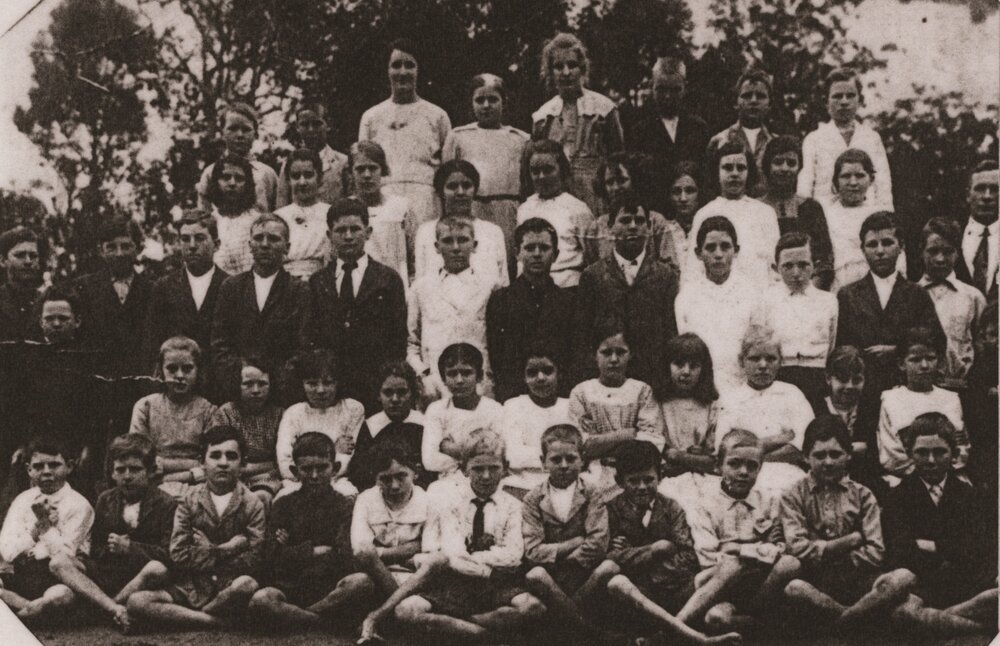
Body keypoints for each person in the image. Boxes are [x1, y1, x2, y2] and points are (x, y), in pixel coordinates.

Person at [392, 430, 545, 641]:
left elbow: (513, 555)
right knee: (406, 610)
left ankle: (461, 625)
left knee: (533, 607)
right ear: (464, 469)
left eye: (493, 468)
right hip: (455, 583)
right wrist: (487, 564)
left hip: (498, 584)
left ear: (506, 468)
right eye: (478, 469)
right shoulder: (451, 502)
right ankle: (485, 636)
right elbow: (453, 553)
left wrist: (474, 560)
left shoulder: (514, 507)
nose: (486, 476)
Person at [780, 416, 914, 627]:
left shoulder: (863, 495)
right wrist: (851, 540)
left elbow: (876, 552)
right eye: (819, 455)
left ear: (848, 455)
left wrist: (824, 551)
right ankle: (860, 617)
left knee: (903, 577)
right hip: (815, 581)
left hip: (859, 579)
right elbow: (797, 549)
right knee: (794, 588)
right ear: (806, 457)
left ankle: (843, 619)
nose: (828, 462)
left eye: (835, 454)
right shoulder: (793, 495)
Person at [127, 425, 265, 630]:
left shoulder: (252, 503)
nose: (223, 463)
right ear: (202, 462)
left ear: (243, 464)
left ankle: (189, 617)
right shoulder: (188, 501)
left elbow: (255, 557)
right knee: (137, 602)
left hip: (230, 587)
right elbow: (179, 554)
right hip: (192, 586)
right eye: (215, 456)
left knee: (247, 585)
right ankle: (213, 621)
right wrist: (228, 549)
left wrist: (209, 550)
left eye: (231, 456)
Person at [606, 441, 740, 646]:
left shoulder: (671, 507)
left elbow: (687, 555)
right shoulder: (611, 511)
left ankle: (666, 634)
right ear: (619, 481)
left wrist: (634, 556)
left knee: (729, 567)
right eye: (633, 481)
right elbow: (610, 558)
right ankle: (693, 636)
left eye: (648, 479)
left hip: (677, 589)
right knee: (616, 582)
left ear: (660, 475)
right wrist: (655, 550)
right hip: (640, 594)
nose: (642, 487)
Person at [882, 413, 998, 634]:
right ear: (909, 454)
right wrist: (953, 549)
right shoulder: (897, 498)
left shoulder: (972, 496)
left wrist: (933, 546)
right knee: (904, 612)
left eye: (939, 452)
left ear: (953, 454)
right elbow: (900, 553)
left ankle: (937, 622)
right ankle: (976, 627)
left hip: (967, 587)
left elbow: (980, 550)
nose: (931, 460)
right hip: (922, 589)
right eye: (922, 452)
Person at [47, 434, 174, 632]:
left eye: (135, 469)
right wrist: (107, 550)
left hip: (140, 579)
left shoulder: (166, 503)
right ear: (112, 473)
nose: (127, 476)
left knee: (157, 568)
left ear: (149, 472)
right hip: (108, 573)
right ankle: (114, 609)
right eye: (120, 470)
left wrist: (130, 548)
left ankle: (104, 608)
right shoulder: (106, 499)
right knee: (59, 562)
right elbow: (95, 547)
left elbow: (169, 554)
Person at [249, 432, 374, 627]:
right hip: (290, 586)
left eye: (322, 467)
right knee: (262, 599)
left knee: (361, 582)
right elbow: (271, 558)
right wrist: (314, 550)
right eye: (307, 469)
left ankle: (301, 617)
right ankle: (323, 621)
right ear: (295, 471)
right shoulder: (283, 505)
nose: (314, 476)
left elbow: (345, 556)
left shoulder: (345, 506)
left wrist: (293, 549)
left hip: (330, 587)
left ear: (335, 468)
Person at [682, 430, 800, 633]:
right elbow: (708, 559)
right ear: (719, 466)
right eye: (734, 464)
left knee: (791, 563)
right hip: (721, 585)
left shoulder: (769, 501)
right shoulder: (704, 505)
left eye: (752, 466)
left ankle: (754, 618)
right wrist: (753, 552)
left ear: (760, 469)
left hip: (762, 586)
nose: (744, 472)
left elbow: (780, 545)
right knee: (718, 612)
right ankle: (675, 626)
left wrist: (736, 549)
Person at [301, 197, 408, 413]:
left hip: (374, 385)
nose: (348, 236)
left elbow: (397, 337)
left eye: (355, 229)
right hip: (333, 387)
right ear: (329, 235)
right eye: (340, 230)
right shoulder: (318, 281)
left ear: (368, 232)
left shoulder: (387, 279)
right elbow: (309, 335)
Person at [520, 424, 618, 642]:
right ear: (542, 461)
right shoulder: (533, 499)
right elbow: (533, 551)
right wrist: (574, 541)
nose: (564, 466)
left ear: (582, 459)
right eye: (555, 460)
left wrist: (567, 558)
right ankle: (592, 632)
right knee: (535, 575)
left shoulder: (592, 492)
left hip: (583, 574)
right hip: (550, 578)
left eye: (571, 459)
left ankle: (562, 620)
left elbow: (598, 542)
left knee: (609, 567)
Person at [835, 212, 945, 407]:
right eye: (872, 244)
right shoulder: (848, 295)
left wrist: (896, 351)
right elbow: (840, 345)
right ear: (862, 249)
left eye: (887, 243)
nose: (880, 251)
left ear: (901, 246)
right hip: (863, 391)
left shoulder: (916, 293)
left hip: (906, 388)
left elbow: (936, 340)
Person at [574, 194, 679, 386]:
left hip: (652, 379)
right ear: (610, 227)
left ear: (648, 227)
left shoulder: (665, 277)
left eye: (639, 221)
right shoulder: (593, 276)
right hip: (607, 381)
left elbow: (670, 333)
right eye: (624, 220)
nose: (632, 226)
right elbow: (583, 336)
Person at [359, 38, 451, 243]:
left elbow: (448, 171)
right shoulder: (371, 117)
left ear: (419, 70)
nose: (403, 72)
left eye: (410, 65)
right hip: (384, 200)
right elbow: (362, 166)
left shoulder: (437, 116)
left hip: (426, 200)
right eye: (396, 65)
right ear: (387, 70)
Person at [211, 213, 309, 403]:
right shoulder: (231, 288)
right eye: (258, 238)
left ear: (287, 248)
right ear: (249, 246)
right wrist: (243, 378)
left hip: (282, 397)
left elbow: (302, 348)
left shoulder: (299, 290)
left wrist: (271, 381)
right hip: (237, 395)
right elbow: (219, 345)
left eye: (273, 239)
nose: (265, 245)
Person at [0, 436, 94, 623]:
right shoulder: (22, 500)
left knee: (60, 596)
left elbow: (65, 555)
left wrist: (46, 526)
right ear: (29, 470)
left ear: (69, 466)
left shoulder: (80, 505)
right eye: (38, 467)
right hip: (22, 573)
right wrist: (36, 529)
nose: (46, 472)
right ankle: (29, 608)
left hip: (56, 578)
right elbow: (7, 551)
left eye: (54, 465)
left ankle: (23, 611)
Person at [532, 32, 624, 215]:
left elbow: (618, 157)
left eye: (572, 65)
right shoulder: (543, 116)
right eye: (559, 66)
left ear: (582, 68)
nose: (566, 73)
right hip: (556, 194)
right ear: (550, 71)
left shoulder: (604, 108)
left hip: (596, 192)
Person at [714, 326, 812, 497]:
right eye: (755, 358)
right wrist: (782, 438)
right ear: (741, 361)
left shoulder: (792, 394)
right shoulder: (730, 399)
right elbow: (725, 449)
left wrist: (752, 451)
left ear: (780, 360)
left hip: (787, 473)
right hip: (744, 476)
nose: (763, 365)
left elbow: (804, 445)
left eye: (771, 359)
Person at [443, 73, 529, 268]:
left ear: (504, 102)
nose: (486, 105)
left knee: (506, 263)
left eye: (493, 99)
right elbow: (445, 182)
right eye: (480, 100)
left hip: (507, 210)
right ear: (471, 103)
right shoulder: (458, 137)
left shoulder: (520, 139)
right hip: (471, 209)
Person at [407, 217, 497, 399]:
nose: (456, 248)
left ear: (475, 245)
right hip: (435, 386)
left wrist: (488, 376)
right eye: (448, 241)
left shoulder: (490, 286)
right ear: (436, 246)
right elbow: (411, 342)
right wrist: (424, 375)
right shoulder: (421, 288)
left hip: (479, 383)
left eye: (463, 240)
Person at [487, 218, 575, 402]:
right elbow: (498, 357)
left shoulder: (569, 301)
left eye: (544, 248)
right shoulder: (501, 300)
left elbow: (573, 355)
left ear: (556, 254)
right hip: (515, 397)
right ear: (517, 253)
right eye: (529, 248)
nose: (537, 254)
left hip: (559, 398)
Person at [352, 441, 430, 642]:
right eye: (385, 479)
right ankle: (394, 616)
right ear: (375, 478)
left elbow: (429, 549)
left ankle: (377, 620)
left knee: (435, 562)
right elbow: (361, 549)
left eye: (401, 476)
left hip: (415, 578)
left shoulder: (429, 501)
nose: (394, 485)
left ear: (416, 472)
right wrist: (410, 548)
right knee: (364, 556)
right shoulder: (366, 500)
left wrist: (382, 553)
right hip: (377, 576)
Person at [752, 232, 838, 409]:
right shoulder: (765, 300)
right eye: (788, 266)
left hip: (817, 381)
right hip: (779, 379)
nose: (796, 273)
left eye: (803, 265)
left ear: (814, 265)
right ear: (776, 268)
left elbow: (832, 345)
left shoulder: (828, 301)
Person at [569, 331, 662, 493]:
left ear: (630, 354)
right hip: (595, 472)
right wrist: (628, 434)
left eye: (620, 352)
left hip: (634, 472)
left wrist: (600, 442)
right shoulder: (582, 392)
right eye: (606, 353)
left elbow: (650, 442)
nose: (613, 359)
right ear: (594, 355)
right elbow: (581, 446)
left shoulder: (642, 390)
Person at [145, 211, 230, 388]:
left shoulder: (231, 286)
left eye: (199, 238)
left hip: (219, 385)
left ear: (216, 244)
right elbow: (154, 341)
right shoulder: (163, 287)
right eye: (185, 239)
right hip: (176, 385)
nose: (192, 246)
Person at [675, 216, 756, 393]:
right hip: (701, 391)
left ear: (736, 250)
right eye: (710, 248)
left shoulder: (752, 294)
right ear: (698, 253)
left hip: (741, 390)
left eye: (725, 247)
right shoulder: (687, 297)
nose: (718, 254)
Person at [129, 336, 216, 498]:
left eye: (187, 368)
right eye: (172, 368)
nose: (180, 375)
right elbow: (139, 458)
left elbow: (211, 462)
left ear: (198, 370)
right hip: (152, 487)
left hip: (197, 485)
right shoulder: (145, 406)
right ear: (161, 370)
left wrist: (169, 472)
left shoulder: (208, 410)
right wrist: (192, 466)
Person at [685, 141, 780, 288]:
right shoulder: (704, 213)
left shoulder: (765, 213)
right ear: (717, 172)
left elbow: (775, 266)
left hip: (759, 294)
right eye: (728, 168)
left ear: (749, 172)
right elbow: (692, 269)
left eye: (741, 168)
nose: (735, 173)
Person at [877, 326, 967, 482]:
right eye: (915, 360)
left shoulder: (951, 399)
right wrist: (921, 478)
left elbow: (961, 447)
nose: (924, 365)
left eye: (930, 358)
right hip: (905, 480)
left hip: (948, 478)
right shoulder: (891, 400)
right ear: (901, 364)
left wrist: (942, 475)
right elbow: (890, 453)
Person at [798, 68, 893, 210]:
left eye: (850, 96)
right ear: (826, 102)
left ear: (859, 100)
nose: (844, 101)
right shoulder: (814, 139)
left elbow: (883, 186)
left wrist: (886, 220)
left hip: (867, 216)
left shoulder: (872, 138)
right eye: (837, 96)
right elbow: (805, 187)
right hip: (827, 217)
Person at [275, 349, 365, 497]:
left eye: (328, 382)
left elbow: (348, 462)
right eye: (312, 383)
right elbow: (285, 465)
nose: (321, 390)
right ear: (302, 384)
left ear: (337, 383)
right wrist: (334, 450)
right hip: (298, 483)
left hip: (338, 482)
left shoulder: (352, 409)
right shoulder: (294, 413)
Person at [74, 218, 153, 376]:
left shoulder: (153, 289)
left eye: (126, 246)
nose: (119, 254)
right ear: (101, 250)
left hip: (139, 381)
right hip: (97, 381)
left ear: (137, 248)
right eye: (111, 247)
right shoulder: (83, 288)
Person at [917, 217, 987, 391]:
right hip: (920, 387)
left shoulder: (973, 297)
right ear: (921, 251)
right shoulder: (910, 295)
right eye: (933, 251)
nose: (940, 259)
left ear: (957, 252)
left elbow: (984, 348)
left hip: (963, 387)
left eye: (947, 251)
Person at [414, 160, 508, 288]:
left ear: (475, 189)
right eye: (452, 186)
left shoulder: (492, 232)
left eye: (466, 185)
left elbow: (502, 283)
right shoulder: (426, 231)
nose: (460, 192)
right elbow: (421, 284)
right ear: (441, 191)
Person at [655, 333, 721, 516]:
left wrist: (676, 456)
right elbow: (659, 451)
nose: (686, 372)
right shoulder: (658, 403)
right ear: (667, 366)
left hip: (704, 476)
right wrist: (687, 460)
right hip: (667, 478)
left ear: (704, 369)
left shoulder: (711, 405)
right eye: (679, 364)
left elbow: (711, 458)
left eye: (694, 366)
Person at [587, 152, 686, 271]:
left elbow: (671, 268)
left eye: (622, 180)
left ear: (635, 180)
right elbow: (592, 271)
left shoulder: (655, 221)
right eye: (610, 182)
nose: (616, 188)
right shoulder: (597, 227)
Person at [516, 139, 595, 288]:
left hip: (566, 288)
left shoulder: (577, 209)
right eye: (535, 171)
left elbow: (592, 257)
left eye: (548, 170)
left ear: (562, 170)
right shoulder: (524, 208)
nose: (541, 177)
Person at [759, 136, 834, 289]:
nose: (785, 168)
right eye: (778, 162)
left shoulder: (811, 208)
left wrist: (805, 292)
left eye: (791, 163)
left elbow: (824, 261)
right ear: (767, 166)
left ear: (799, 168)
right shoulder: (755, 209)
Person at [421, 343, 504, 481]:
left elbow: (498, 455)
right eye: (452, 374)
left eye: (466, 373)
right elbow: (430, 460)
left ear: (480, 376)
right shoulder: (436, 410)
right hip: (449, 482)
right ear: (443, 378)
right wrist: (475, 457)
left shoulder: (494, 409)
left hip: (486, 480)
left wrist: (451, 449)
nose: (459, 380)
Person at [823, 149, 902, 291]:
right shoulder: (826, 215)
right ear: (836, 181)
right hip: (838, 286)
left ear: (871, 179)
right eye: (846, 176)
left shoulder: (882, 215)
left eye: (860, 176)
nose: (853, 182)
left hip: (877, 287)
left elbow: (898, 258)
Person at [210, 356, 284, 505]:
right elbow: (221, 453)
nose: (256, 390)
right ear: (237, 385)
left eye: (262, 384)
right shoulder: (226, 413)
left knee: (260, 498)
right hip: (232, 476)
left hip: (267, 477)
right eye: (248, 384)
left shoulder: (279, 414)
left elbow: (280, 462)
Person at [500, 346, 573, 497]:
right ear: (524, 377)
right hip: (521, 485)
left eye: (547, 371)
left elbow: (579, 453)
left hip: (566, 484)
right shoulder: (514, 406)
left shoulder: (570, 406)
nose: (540, 378)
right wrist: (560, 455)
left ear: (560, 374)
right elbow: (513, 457)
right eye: (532, 373)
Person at [348, 361, 430, 492]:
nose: (395, 399)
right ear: (378, 395)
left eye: (402, 392)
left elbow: (429, 469)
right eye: (388, 392)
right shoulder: (372, 426)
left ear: (413, 393)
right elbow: (359, 471)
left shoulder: (423, 424)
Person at [627, 56, 709, 178]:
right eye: (661, 89)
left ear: (685, 88)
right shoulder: (637, 129)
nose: (667, 96)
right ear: (651, 86)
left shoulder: (699, 127)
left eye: (675, 90)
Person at [197, 102, 278, 213]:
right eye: (233, 128)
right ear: (222, 132)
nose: (240, 135)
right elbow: (204, 214)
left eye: (246, 129)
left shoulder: (267, 173)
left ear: (255, 134)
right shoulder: (210, 172)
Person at [706, 68, 776, 197]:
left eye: (760, 96)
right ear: (736, 102)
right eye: (747, 96)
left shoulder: (775, 143)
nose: (753, 101)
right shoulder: (720, 140)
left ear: (769, 104)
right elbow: (711, 185)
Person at [347, 141, 411, 281]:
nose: (367, 175)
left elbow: (413, 255)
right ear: (351, 172)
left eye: (373, 168)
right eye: (360, 169)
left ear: (383, 170)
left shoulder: (400, 207)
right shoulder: (345, 209)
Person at [821, 346, 882, 496]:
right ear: (828, 378)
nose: (849, 386)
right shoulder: (817, 408)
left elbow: (875, 455)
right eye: (842, 380)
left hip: (864, 481)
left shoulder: (871, 410)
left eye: (856, 380)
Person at [274, 147, 332, 280]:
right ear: (288, 180)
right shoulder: (278, 217)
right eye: (295, 176)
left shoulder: (330, 213)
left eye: (308, 175)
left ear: (320, 177)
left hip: (321, 282)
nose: (302, 182)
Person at [276, 102, 348, 208]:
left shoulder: (342, 162)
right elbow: (282, 205)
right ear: (297, 127)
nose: (311, 129)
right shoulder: (289, 164)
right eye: (305, 124)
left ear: (328, 125)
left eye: (317, 124)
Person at [204, 154, 262, 276]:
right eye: (226, 177)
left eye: (239, 179)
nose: (232, 183)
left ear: (248, 184)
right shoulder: (209, 222)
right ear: (216, 182)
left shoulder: (258, 221)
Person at [955, 159, 998, 298]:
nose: (987, 196)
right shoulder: (952, 235)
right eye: (980, 188)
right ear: (968, 195)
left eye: (995, 189)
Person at [0, 226, 43, 341]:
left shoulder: (46, 302)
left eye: (33, 256)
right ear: (3, 261)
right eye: (20, 255)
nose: (28, 261)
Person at [665, 160, 702, 237]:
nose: (683, 199)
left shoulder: (708, 228)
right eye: (676, 191)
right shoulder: (663, 230)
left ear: (699, 193)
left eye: (690, 191)